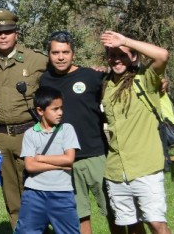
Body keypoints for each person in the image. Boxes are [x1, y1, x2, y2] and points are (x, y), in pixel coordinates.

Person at [0, 9, 46, 228]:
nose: (3, 36)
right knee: (11, 194)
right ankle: (19, 230)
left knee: (36, 189)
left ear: (16, 34)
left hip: (30, 134)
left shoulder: (36, 60)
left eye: (8, 31)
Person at [38, 31, 115, 234]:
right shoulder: (44, 80)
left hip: (95, 154)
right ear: (49, 55)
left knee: (113, 210)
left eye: (65, 52)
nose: (60, 57)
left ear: (73, 53)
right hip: (65, 159)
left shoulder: (91, 76)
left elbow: (121, 83)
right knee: (78, 213)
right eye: (55, 52)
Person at [99, 31, 171, 234]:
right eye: (112, 55)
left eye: (122, 54)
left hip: (145, 167)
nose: (117, 60)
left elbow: (162, 55)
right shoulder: (106, 85)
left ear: (134, 57)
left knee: (157, 224)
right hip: (115, 170)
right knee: (132, 225)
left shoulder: (145, 80)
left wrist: (125, 41)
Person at [16, 86, 81, 234]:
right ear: (40, 111)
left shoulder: (67, 129)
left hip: (62, 194)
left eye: (61, 108)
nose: (60, 113)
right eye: (55, 109)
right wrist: (59, 166)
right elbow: (30, 166)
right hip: (34, 194)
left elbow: (69, 158)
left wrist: (41, 158)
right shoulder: (30, 134)